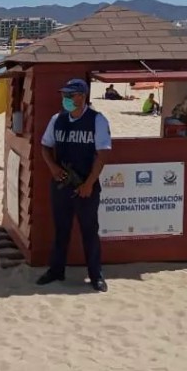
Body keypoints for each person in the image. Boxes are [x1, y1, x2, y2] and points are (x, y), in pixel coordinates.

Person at [36, 79, 111, 292]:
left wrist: (89, 184)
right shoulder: (57, 119)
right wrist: (53, 168)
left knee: (89, 231)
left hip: (86, 186)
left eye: (70, 95)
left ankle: (96, 275)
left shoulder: (97, 120)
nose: (66, 99)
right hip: (61, 185)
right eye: (64, 95)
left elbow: (103, 155)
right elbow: (45, 147)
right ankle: (56, 270)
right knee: (61, 230)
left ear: (82, 96)